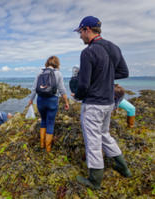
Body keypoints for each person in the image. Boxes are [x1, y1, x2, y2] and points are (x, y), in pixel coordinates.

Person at [72, 16, 131, 189]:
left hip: (93, 104)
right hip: (108, 103)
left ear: (87, 29)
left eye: (80, 32)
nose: (80, 36)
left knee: (93, 141)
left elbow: (83, 84)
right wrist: (105, 77)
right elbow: (124, 72)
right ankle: (123, 168)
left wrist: (77, 95)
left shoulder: (88, 52)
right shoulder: (114, 47)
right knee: (105, 135)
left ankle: (95, 180)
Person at [28, 55, 69, 152]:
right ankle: (48, 149)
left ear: (47, 63)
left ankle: (42, 145)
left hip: (40, 100)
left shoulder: (40, 72)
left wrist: (31, 100)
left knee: (43, 121)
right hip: (52, 100)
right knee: (50, 123)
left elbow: (34, 89)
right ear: (56, 63)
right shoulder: (58, 73)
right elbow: (62, 90)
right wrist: (66, 102)